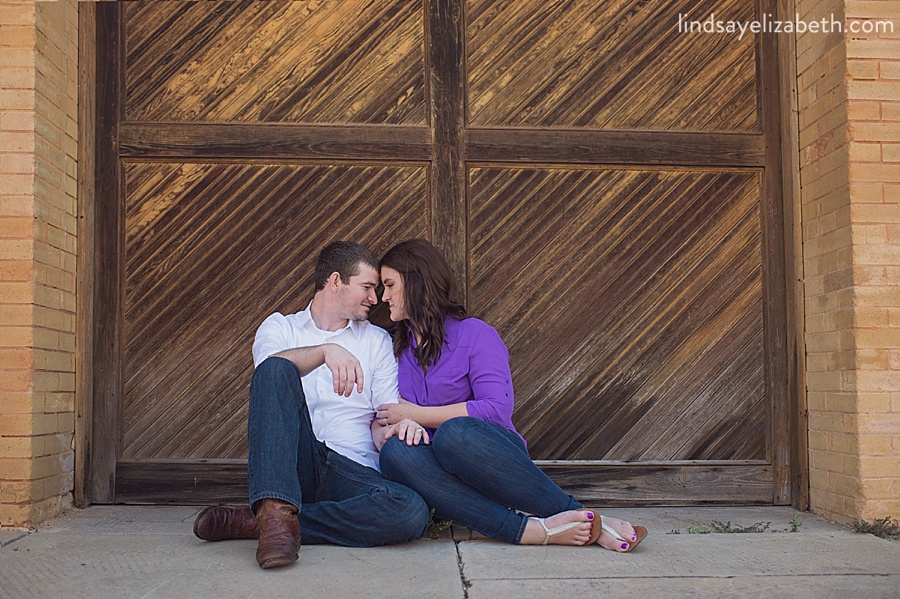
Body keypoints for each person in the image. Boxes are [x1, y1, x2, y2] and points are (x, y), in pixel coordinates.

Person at [374, 239, 647, 550]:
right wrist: (398, 426)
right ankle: (527, 530)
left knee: (454, 435)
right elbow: (384, 414)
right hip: (437, 476)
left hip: (486, 457)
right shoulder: (392, 348)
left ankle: (579, 513)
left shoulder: (476, 334)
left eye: (390, 285)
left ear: (416, 281)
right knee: (395, 453)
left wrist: (414, 414)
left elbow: (495, 409)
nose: (384, 297)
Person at [193, 241, 429, 569]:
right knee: (275, 369)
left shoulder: (376, 341)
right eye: (366, 287)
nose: (375, 299)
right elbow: (268, 377)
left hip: (349, 469)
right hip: (292, 465)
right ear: (335, 281)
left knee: (409, 511)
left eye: (376, 289)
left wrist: (402, 423)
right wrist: (323, 352)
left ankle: (264, 522)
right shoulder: (280, 327)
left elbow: (385, 412)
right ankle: (276, 511)